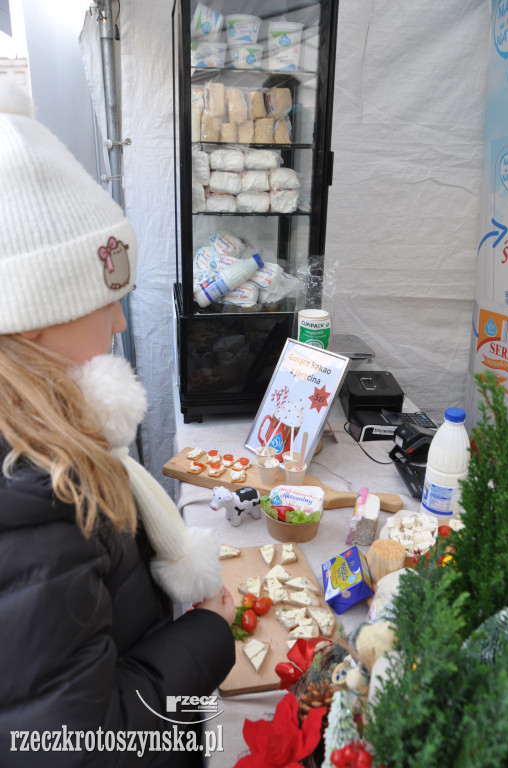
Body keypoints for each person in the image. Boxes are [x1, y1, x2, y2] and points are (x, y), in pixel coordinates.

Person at [0, 82, 235, 767]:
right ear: (35, 317)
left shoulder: (47, 462)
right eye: (104, 301)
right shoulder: (41, 500)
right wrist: (208, 636)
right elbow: (79, 743)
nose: (121, 322)